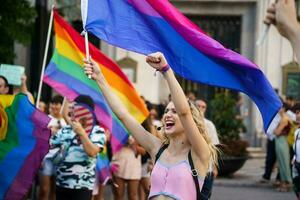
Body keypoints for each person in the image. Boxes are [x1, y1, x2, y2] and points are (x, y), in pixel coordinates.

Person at [84, 52, 218, 200]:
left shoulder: (199, 153)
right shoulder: (157, 149)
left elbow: (184, 112)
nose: (168, 114)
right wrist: (100, 78)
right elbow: (123, 115)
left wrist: (166, 71)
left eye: (174, 111)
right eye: (166, 111)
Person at [51, 95, 104, 200]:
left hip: (82, 186)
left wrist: (82, 134)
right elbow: (51, 148)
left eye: (77, 107)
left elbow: (92, 152)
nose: (73, 110)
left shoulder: (97, 131)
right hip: (61, 184)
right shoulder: (65, 129)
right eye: (73, 107)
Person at [39, 95, 67, 200]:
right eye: (53, 103)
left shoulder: (66, 121)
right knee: (44, 190)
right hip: (47, 158)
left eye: (57, 104)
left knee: (55, 192)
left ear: (62, 106)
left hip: (61, 158)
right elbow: (40, 139)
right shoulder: (46, 119)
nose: (54, 106)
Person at [196, 99, 220, 199]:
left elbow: (214, 146)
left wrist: (215, 167)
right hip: (192, 167)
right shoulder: (187, 123)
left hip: (207, 168)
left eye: (203, 107)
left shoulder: (209, 125)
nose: (201, 108)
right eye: (198, 106)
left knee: (205, 196)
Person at [274, 103, 292, 192]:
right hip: (280, 141)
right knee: (281, 162)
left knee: (284, 162)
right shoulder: (282, 118)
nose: (278, 109)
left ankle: (287, 183)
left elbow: (277, 132)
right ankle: (284, 182)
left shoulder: (284, 119)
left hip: (282, 141)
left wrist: (275, 131)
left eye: (280, 107)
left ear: (284, 109)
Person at [292, 103, 300, 198]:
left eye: (299, 113)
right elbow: (296, 147)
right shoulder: (297, 132)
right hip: (297, 165)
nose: (297, 115)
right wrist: (294, 158)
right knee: (297, 188)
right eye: (297, 113)